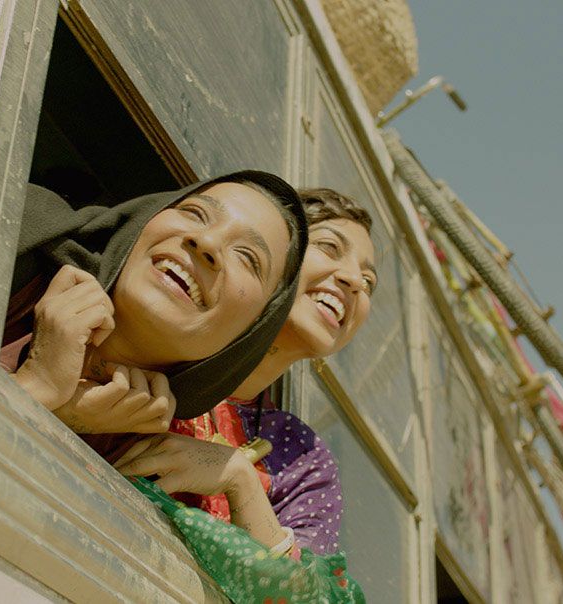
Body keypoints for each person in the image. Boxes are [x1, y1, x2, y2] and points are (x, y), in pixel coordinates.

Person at [114, 188, 375, 559]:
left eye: (369, 283)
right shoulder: (159, 341)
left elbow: (308, 588)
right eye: (330, 247)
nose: (354, 282)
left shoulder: (302, 457)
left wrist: (240, 481)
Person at [0, 171, 309, 435]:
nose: (207, 242)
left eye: (247, 257)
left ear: (250, 336)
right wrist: (39, 386)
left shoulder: (157, 460)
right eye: (195, 213)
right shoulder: (11, 230)